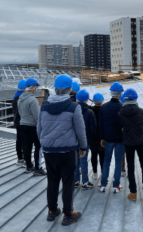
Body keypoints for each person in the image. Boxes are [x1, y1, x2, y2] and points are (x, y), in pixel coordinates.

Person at [37, 74, 87, 226]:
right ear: (70, 89)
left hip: (48, 150)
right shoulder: (74, 106)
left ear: (56, 89)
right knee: (68, 182)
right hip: (67, 151)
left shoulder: (44, 106)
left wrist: (45, 144)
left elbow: (39, 128)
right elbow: (80, 130)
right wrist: (83, 146)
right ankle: (68, 214)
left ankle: (52, 211)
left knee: (52, 181)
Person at [118, 88, 143, 201]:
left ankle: (133, 193)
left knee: (130, 167)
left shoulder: (121, 112)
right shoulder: (141, 111)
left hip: (128, 142)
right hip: (140, 141)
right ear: (136, 98)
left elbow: (119, 128)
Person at [98, 82, 124, 193]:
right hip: (120, 139)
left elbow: (101, 125)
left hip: (108, 139)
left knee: (106, 161)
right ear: (120, 93)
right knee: (118, 162)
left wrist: (102, 138)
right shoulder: (123, 107)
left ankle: (103, 184)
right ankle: (116, 185)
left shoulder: (104, 107)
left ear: (111, 92)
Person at [18, 77, 45, 175]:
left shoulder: (20, 99)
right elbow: (37, 116)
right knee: (38, 146)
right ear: (33, 87)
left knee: (27, 145)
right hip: (32, 126)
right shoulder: (32, 100)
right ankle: (38, 168)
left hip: (23, 124)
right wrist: (41, 128)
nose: (36, 89)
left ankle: (29, 166)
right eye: (36, 87)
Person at [74, 89, 96, 189]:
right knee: (83, 161)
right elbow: (93, 128)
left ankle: (75, 180)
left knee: (75, 161)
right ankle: (85, 182)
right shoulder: (90, 112)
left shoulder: (73, 110)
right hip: (85, 140)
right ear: (87, 100)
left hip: (73, 140)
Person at [89, 93, 105, 180]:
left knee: (93, 155)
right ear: (102, 101)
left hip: (93, 137)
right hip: (102, 136)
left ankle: (95, 173)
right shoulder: (104, 110)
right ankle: (103, 172)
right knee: (102, 155)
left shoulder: (90, 110)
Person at [12, 79, 27, 166]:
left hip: (17, 122)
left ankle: (20, 158)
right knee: (25, 141)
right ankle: (25, 159)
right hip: (23, 122)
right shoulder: (22, 98)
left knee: (19, 140)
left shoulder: (15, 97)